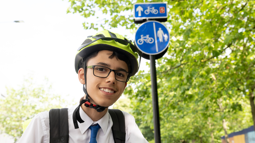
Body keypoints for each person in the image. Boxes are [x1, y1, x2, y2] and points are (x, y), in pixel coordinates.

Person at [18, 30, 148, 143]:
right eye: (101, 69)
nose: (111, 79)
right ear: (82, 76)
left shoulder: (125, 125)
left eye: (120, 74)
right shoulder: (45, 124)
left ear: (125, 84)